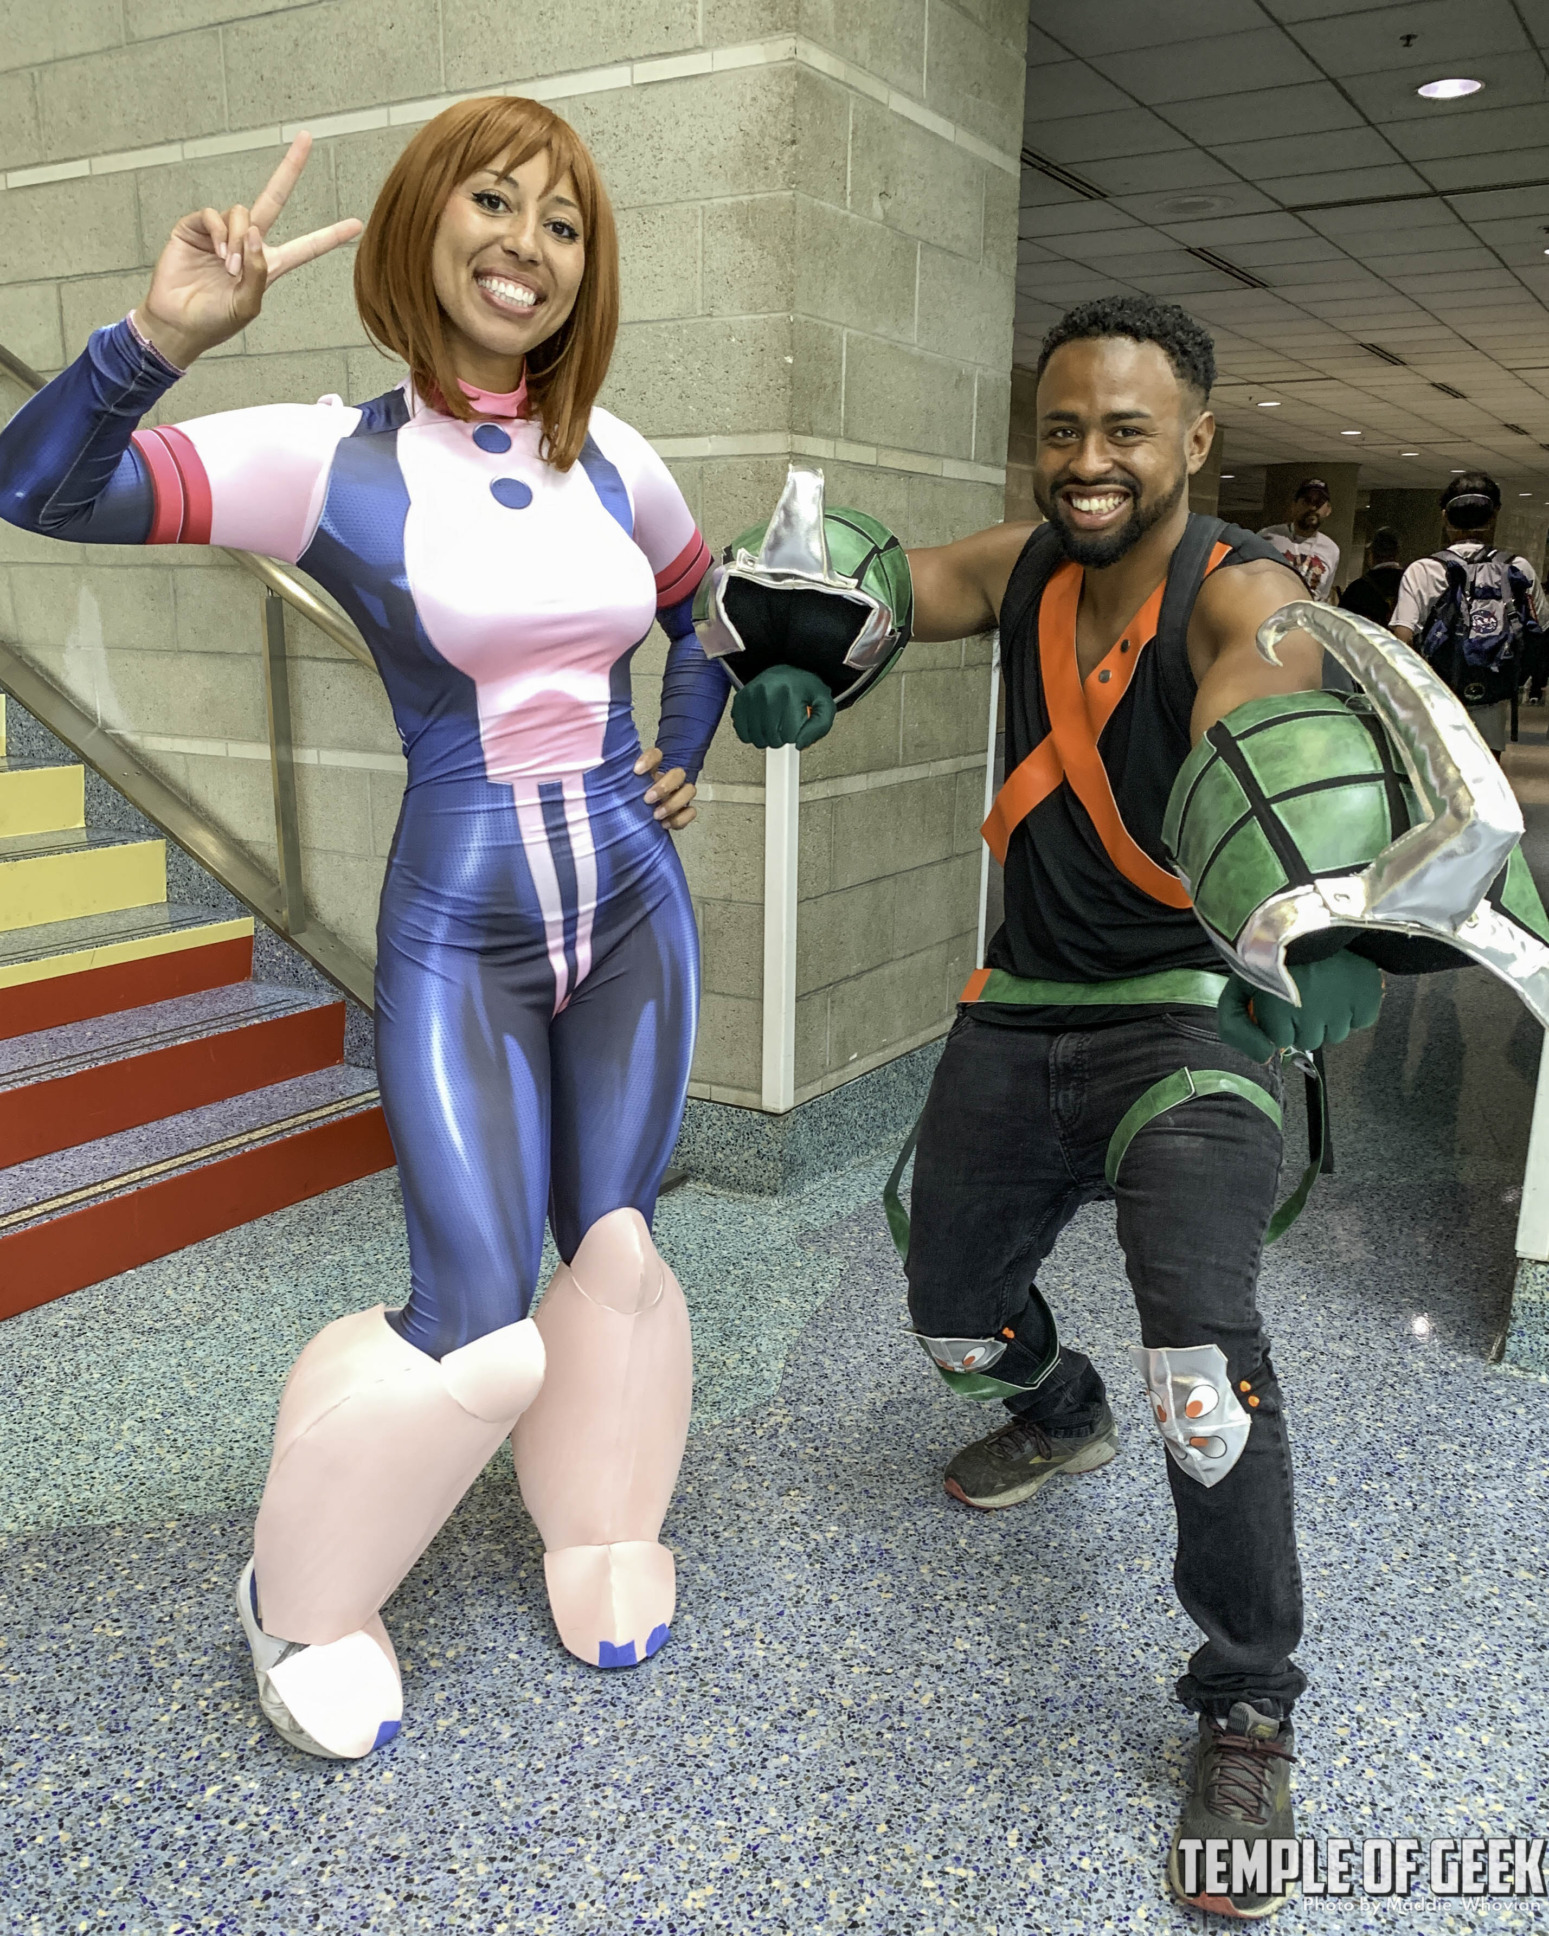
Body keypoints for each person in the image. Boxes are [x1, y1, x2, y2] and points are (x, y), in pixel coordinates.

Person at [0, 100, 730, 1760]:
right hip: (464, 925)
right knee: (473, 1311)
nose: (526, 247)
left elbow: (702, 608)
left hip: (633, 908)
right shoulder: (326, 460)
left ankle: (602, 1525)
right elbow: (38, 487)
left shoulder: (616, 455)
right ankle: (300, 1598)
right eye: (494, 201)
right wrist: (157, 339)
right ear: (419, 222)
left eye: (562, 223)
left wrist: (683, 745)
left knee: (616, 1249)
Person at [733, 296, 1389, 1918]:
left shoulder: (1238, 592)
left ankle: (1245, 1704)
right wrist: (801, 648)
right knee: (951, 1312)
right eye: (1062, 429)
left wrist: (1310, 883)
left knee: (1202, 1352)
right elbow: (904, 586)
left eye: (1125, 431)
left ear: (1195, 442)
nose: (1089, 459)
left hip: (1187, 1022)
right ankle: (1059, 1405)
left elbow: (1259, 700)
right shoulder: (1029, 563)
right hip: (1023, 1006)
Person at [1391, 473, 1548, 750]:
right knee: (1485, 768)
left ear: (1445, 517)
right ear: (1494, 515)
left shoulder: (1424, 570)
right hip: (1493, 696)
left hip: (1435, 698)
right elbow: (1541, 630)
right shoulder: (1518, 568)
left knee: (1435, 768)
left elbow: (1401, 637)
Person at [1259, 477, 1340, 601]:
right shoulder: (1268, 536)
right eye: (1307, 501)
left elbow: (1323, 595)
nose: (1312, 507)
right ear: (1294, 506)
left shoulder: (1331, 549)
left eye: (1319, 503)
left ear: (1328, 510)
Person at [1338, 524, 1404, 625]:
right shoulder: (1410, 583)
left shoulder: (1357, 588)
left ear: (1371, 553)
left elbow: (1340, 625)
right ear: (1398, 553)